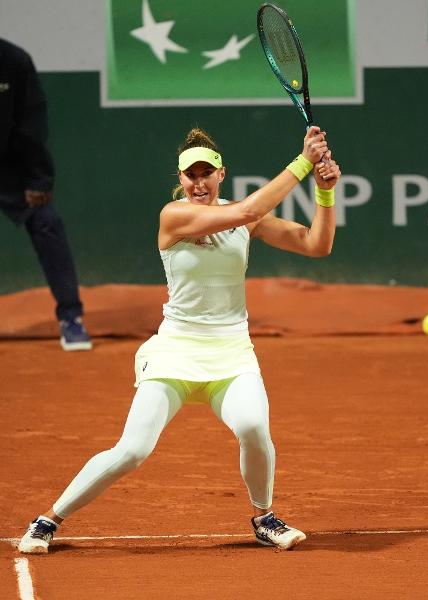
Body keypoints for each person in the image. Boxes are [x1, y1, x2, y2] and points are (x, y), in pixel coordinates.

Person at [18, 124, 340, 553]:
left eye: (207, 173)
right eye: (191, 175)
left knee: (253, 426)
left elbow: (316, 245)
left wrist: (324, 193)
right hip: (175, 351)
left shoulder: (249, 218)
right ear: (180, 179)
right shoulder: (174, 216)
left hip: (232, 352)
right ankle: (48, 519)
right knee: (132, 450)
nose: (199, 182)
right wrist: (303, 161)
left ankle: (264, 517)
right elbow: (245, 212)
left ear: (221, 175)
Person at [0, 38, 91, 351]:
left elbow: (31, 121)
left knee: (47, 223)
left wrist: (39, 179)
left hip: (12, 167)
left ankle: (71, 318)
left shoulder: (13, 60)